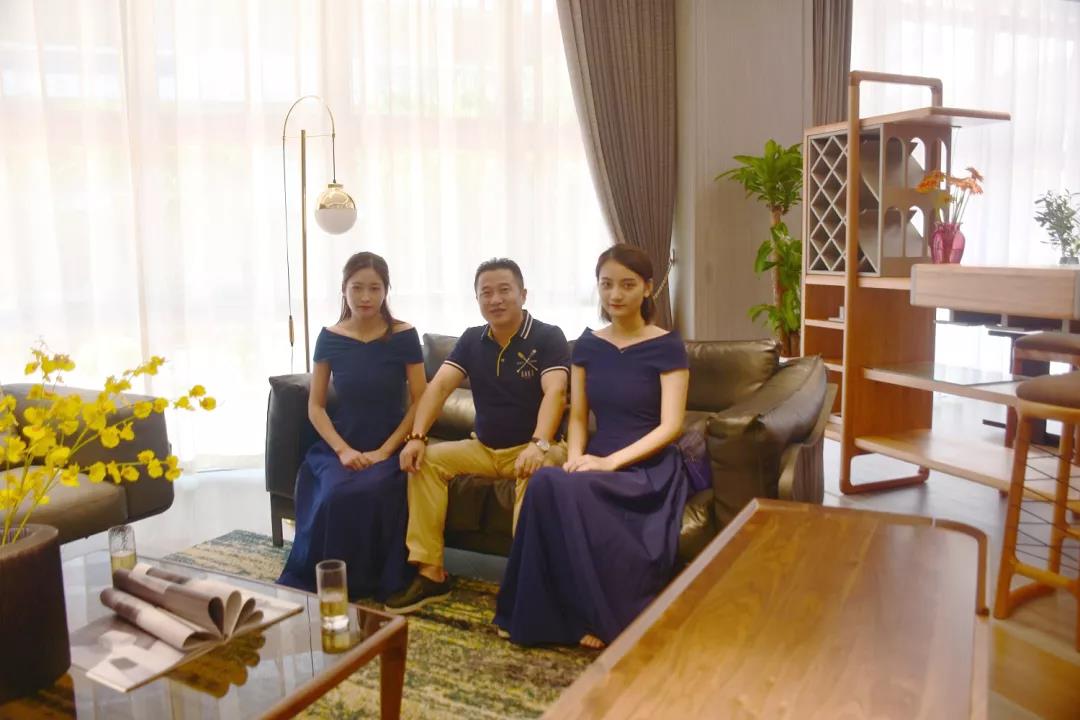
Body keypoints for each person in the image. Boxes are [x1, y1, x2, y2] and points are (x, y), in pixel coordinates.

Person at [494, 244, 691, 649]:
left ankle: (597, 618)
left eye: (627, 285)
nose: (615, 294)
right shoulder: (586, 346)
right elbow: (579, 416)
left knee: (562, 489)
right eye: (606, 284)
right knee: (546, 483)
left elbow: (672, 426)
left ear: (647, 288)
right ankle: (542, 615)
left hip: (647, 468)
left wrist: (609, 463)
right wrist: (576, 457)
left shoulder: (667, 345)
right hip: (596, 458)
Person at [384, 258, 570, 614]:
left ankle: (527, 586)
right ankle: (430, 573)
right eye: (486, 293)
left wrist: (538, 445)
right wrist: (417, 436)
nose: (495, 299)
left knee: (541, 473)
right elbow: (439, 388)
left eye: (504, 290)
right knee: (426, 461)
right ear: (477, 299)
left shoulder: (548, 337)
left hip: (536, 448)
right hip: (484, 448)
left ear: (523, 294)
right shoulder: (472, 340)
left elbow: (556, 392)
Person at [278, 252, 427, 601]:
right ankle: (326, 579)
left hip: (390, 444)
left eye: (375, 288)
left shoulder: (404, 335)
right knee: (333, 493)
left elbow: (421, 400)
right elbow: (315, 406)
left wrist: (385, 451)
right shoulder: (330, 337)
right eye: (357, 288)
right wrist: (343, 450)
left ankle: (363, 583)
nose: (365, 297)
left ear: (386, 291)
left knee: (367, 492)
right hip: (341, 443)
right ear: (343, 289)